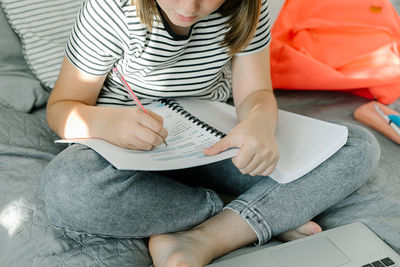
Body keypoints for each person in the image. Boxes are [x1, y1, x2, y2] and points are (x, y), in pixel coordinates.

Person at [40, 0, 380, 266]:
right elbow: (62, 108)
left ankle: (206, 237)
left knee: (356, 146)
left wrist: (259, 122)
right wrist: (107, 123)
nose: (188, 8)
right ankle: (247, 212)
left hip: (210, 142)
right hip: (125, 153)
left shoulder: (246, 6)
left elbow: (254, 94)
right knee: (66, 187)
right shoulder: (111, 9)